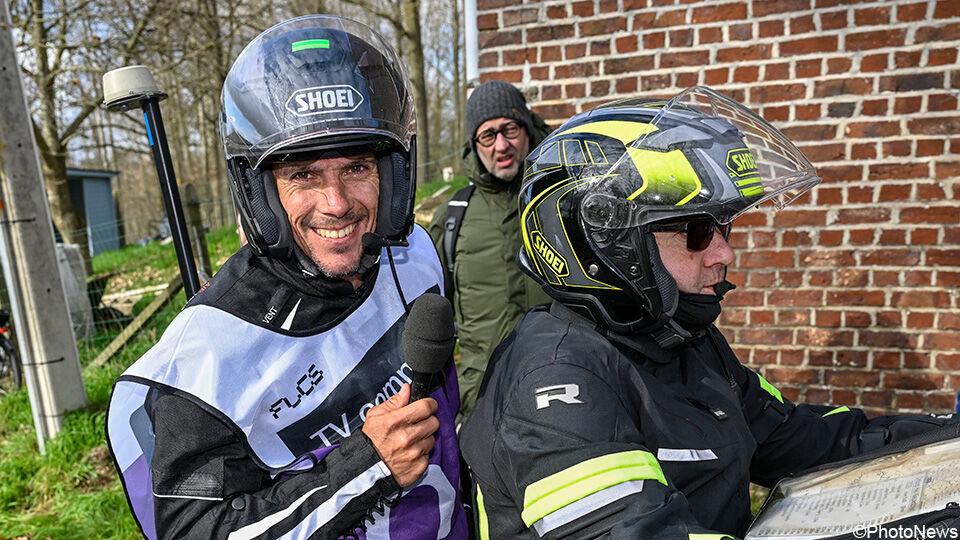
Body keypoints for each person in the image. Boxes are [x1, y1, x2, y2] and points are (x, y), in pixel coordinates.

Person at [459, 87, 959, 539]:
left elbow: (802, 437)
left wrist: (942, 438)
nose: (724, 254)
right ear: (607, 242)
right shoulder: (555, 380)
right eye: (697, 232)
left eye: (726, 228)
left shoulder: (680, 337)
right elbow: (635, 533)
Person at [106, 16, 467, 540]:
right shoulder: (203, 364)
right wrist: (366, 466)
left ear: (392, 175)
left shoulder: (414, 258)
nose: (337, 204)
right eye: (303, 176)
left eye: (357, 167)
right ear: (261, 195)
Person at [427, 81, 552, 418]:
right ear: (474, 145)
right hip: (484, 401)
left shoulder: (563, 203)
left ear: (527, 128)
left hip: (566, 386)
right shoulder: (454, 218)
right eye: (487, 135)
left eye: (509, 129)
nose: (501, 145)